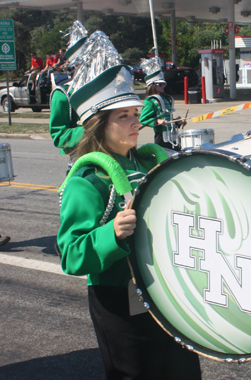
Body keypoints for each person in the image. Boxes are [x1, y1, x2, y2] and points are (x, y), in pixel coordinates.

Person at [57, 57, 202, 379]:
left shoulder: (147, 164)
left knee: (182, 370)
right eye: (123, 117)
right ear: (98, 124)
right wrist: (113, 233)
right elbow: (71, 255)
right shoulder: (87, 181)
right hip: (119, 300)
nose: (136, 122)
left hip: (166, 289)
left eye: (136, 114)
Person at [49, 21, 89, 167]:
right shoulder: (62, 95)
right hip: (81, 165)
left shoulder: (105, 92)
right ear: (75, 65)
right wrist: (93, 130)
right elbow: (58, 136)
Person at [140, 56, 185, 151]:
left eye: (164, 84)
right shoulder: (149, 101)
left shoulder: (165, 99)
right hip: (161, 137)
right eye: (160, 84)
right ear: (152, 86)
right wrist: (158, 121)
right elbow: (143, 119)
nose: (163, 86)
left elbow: (168, 118)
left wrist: (177, 122)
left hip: (173, 135)